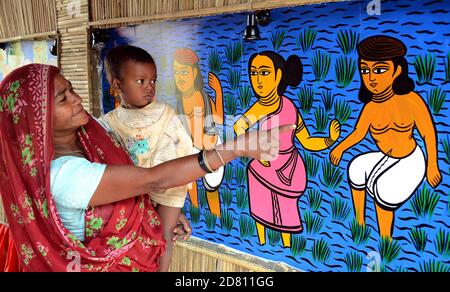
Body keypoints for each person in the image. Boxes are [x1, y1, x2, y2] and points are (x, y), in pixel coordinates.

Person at [0, 63, 292, 271]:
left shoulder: (91, 142)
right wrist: (237, 148)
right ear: (35, 122)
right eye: (63, 98)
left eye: (72, 90)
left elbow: (134, 188)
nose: (77, 99)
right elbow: (153, 180)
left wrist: (149, 215)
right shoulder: (63, 176)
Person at [330, 35, 442, 239]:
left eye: (380, 70)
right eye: (365, 70)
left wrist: (432, 165)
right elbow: (358, 133)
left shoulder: (410, 100)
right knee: (356, 166)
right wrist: (340, 148)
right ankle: (360, 224)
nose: (371, 77)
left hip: (411, 159)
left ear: (397, 71)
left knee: (384, 188)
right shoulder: (371, 107)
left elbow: (428, 132)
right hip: (387, 157)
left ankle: (385, 239)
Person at [98, 45, 193, 271]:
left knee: (165, 234)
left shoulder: (166, 114)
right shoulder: (108, 123)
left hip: (169, 186)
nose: (149, 87)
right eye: (141, 81)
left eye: (153, 81)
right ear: (117, 85)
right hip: (132, 191)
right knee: (136, 238)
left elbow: (185, 149)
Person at [234, 51, 341, 247]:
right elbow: (239, 127)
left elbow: (307, 140)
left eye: (264, 73)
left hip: (289, 165)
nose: (257, 80)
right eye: (253, 73)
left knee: (287, 210)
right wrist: (255, 151)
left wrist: (328, 140)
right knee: (260, 202)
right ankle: (261, 242)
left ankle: (287, 244)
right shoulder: (260, 107)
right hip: (265, 164)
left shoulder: (289, 106)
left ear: (279, 76)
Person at [173, 48, 224, 218]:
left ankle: (217, 218)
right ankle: (196, 213)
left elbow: (219, 120)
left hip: (210, 146)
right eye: (176, 72)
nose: (180, 77)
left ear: (194, 73)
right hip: (193, 148)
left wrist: (218, 93)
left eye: (184, 72)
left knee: (212, 188)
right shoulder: (180, 102)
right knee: (191, 185)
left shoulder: (202, 96)